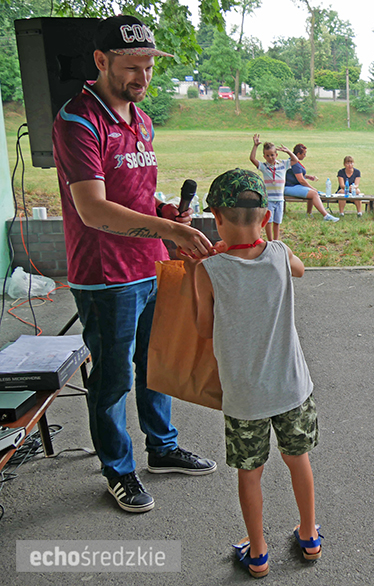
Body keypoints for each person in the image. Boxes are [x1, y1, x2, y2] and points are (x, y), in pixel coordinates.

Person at [51, 14, 217, 514]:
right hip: (105, 275)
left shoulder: (142, 119)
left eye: (148, 66)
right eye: (131, 67)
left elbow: (138, 197)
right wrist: (169, 230)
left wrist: (166, 214)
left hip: (150, 264)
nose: (143, 77)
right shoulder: (78, 120)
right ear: (101, 61)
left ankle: (162, 449)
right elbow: (94, 209)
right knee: (113, 379)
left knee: (156, 363)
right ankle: (117, 471)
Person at [184, 169, 321, 578]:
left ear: (216, 217)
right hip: (292, 387)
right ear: (264, 215)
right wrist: (273, 245)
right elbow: (300, 269)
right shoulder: (279, 253)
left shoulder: (209, 271)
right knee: (299, 460)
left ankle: (258, 553)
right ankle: (309, 536)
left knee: (250, 472)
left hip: (244, 396)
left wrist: (200, 269)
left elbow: (202, 328)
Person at [249, 136, 299, 240]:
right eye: (268, 155)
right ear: (264, 156)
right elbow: (252, 159)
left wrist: (288, 151)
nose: (270, 157)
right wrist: (255, 146)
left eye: (272, 155)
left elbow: (296, 160)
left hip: (280, 199)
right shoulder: (264, 166)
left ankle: (276, 241)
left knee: (277, 222)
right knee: (269, 221)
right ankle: (270, 241)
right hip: (269, 200)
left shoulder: (283, 164)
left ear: (276, 155)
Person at [284, 143, 339, 222]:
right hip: (290, 187)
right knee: (313, 193)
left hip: (295, 186)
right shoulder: (294, 163)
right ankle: (326, 216)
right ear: (298, 154)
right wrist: (312, 188)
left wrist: (307, 176)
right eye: (304, 154)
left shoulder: (294, 162)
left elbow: (294, 175)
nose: (305, 156)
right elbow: (301, 180)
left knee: (313, 193)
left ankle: (309, 214)